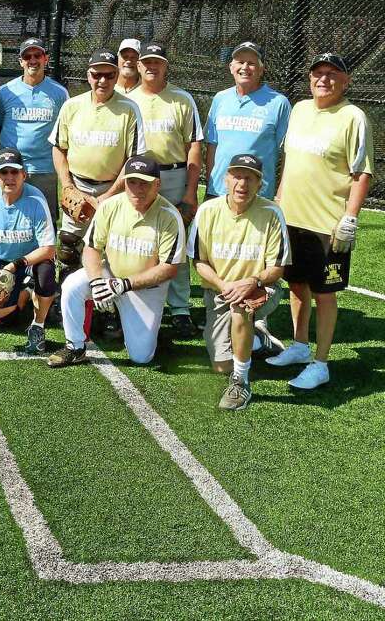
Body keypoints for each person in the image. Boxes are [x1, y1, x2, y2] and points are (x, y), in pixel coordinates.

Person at [265, 53, 373, 391]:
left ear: (345, 81)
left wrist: (350, 219)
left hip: (328, 227)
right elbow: (292, 164)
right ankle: (299, 346)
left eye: (331, 74)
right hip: (292, 221)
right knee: (297, 286)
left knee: (325, 294)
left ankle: (321, 363)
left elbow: (362, 173)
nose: (323, 79)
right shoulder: (299, 110)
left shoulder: (353, 117)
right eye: (317, 73)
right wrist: (279, 202)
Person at [48, 155, 185, 368]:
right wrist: (96, 282)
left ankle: (146, 328)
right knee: (72, 285)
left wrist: (125, 285)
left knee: (141, 357)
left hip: (145, 288)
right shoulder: (110, 206)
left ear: (157, 184)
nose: (137, 189)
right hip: (110, 274)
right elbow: (92, 249)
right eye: (132, 182)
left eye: (144, 183)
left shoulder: (169, 216)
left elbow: (169, 268)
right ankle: (75, 346)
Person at [188, 154, 289, 410]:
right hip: (220, 290)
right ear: (226, 179)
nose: (242, 184)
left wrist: (252, 281)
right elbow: (199, 262)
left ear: (259, 183)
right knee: (220, 364)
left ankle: (240, 383)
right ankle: (257, 339)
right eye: (236, 176)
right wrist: (225, 287)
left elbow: (277, 268)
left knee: (241, 307)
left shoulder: (272, 213)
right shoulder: (208, 211)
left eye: (249, 178)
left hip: (260, 288)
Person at [124, 42, 203, 337]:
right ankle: (131, 295)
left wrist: (190, 192)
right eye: (146, 61)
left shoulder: (182, 100)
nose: (151, 66)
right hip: (135, 178)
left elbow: (194, 146)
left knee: (175, 241)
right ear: (138, 65)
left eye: (157, 61)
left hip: (172, 176)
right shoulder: (126, 98)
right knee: (136, 238)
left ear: (166, 66)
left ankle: (180, 308)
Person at [49, 49, 145, 280]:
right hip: (78, 187)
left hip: (113, 189)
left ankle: (107, 303)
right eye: (97, 74)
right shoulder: (72, 106)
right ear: (88, 75)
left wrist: (107, 196)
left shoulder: (129, 109)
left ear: (118, 74)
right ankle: (66, 296)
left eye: (109, 75)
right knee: (67, 246)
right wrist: (68, 186)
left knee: (111, 246)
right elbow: (59, 148)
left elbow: (134, 160)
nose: (102, 80)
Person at [0, 148, 57, 354]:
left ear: (24, 175)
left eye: (15, 172)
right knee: (1, 316)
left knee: (46, 275)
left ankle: (38, 325)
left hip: (31, 261)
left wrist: (16, 265)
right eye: (4, 173)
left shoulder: (36, 199)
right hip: (3, 261)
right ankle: (27, 292)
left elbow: (48, 249)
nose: (9, 178)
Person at [203, 41, 291, 200]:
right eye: (240, 62)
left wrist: (280, 194)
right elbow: (212, 145)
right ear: (231, 67)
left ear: (262, 69)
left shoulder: (279, 103)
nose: (244, 67)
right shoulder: (220, 99)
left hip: (257, 195)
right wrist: (211, 181)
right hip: (217, 192)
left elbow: (287, 154)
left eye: (251, 63)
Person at [0, 37, 68, 222]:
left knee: (45, 220)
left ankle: (47, 252)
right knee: (8, 217)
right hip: (10, 168)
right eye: (27, 56)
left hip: (44, 168)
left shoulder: (60, 93)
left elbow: (65, 133)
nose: (32, 60)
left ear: (46, 59)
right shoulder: (5, 92)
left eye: (37, 55)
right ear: (21, 61)